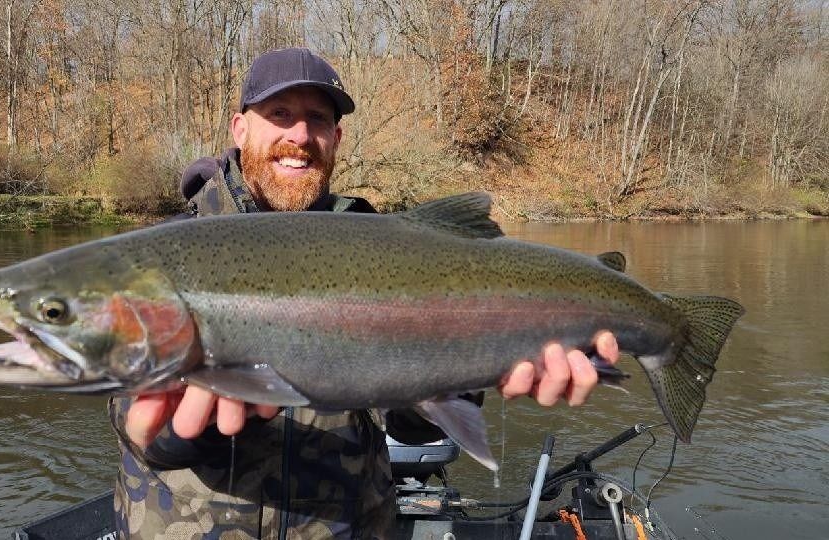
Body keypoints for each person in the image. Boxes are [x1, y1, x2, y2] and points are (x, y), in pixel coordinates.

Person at [108, 47, 621, 539]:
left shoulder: (391, 250)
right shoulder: (167, 250)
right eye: (279, 113)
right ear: (240, 128)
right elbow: (122, 405)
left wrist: (471, 373)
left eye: (318, 118)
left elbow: (415, 429)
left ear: (336, 136)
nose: (300, 135)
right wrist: (180, 432)